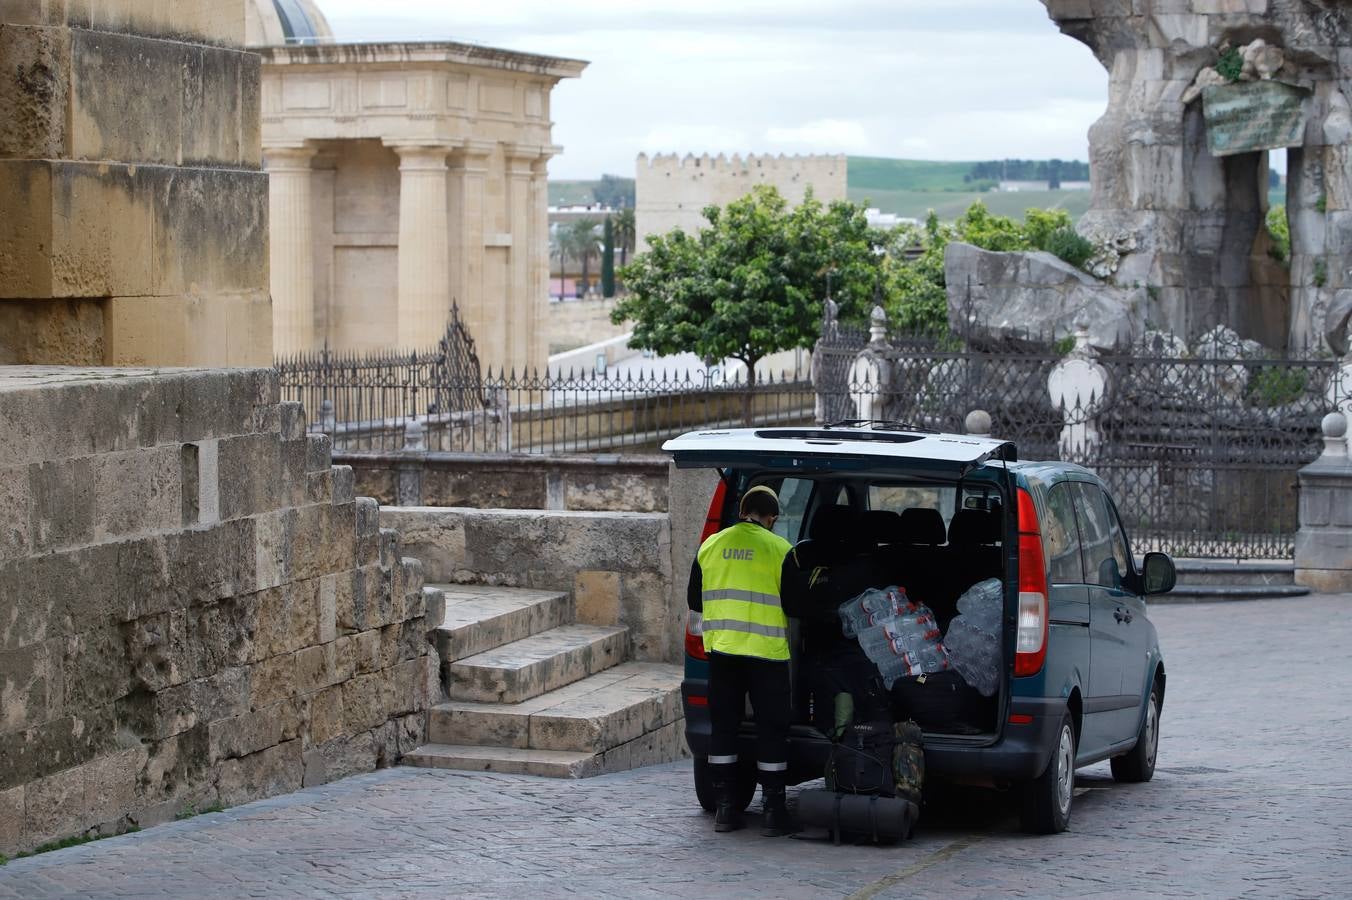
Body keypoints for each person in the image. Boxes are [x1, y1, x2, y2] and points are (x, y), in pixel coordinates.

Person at [686, 485, 795, 836]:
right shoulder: (781, 549)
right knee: (772, 729)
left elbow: (695, 600)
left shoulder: (710, 545)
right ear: (772, 518)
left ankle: (725, 810)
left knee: (724, 728)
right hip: (767, 654)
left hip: (723, 653)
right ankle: (774, 812)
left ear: (741, 511)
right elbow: (796, 605)